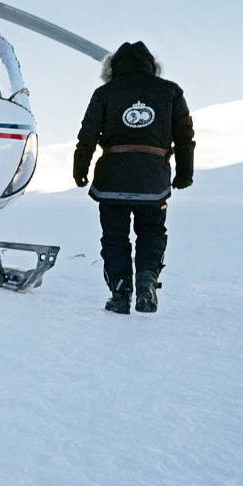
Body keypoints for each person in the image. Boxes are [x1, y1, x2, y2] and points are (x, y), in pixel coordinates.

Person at [73, 41, 195, 314]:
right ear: (152, 66)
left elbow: (87, 136)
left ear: (112, 68)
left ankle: (120, 293)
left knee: (115, 237)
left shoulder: (104, 93)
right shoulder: (171, 92)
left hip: (112, 181)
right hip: (153, 181)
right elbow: (185, 137)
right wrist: (184, 173)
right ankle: (146, 283)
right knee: (151, 231)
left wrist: (80, 171)